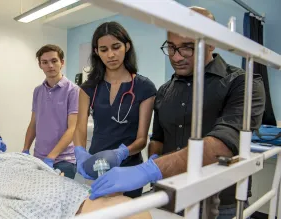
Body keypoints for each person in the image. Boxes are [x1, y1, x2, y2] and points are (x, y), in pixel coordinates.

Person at [87, 7, 266, 218]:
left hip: (220, 202)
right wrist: (153, 161)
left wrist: (147, 170)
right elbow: (159, 139)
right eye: (171, 47)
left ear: (211, 43)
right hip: (171, 196)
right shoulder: (164, 91)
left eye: (187, 48)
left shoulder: (242, 83)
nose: (176, 57)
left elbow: (223, 144)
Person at [0, 134, 152, 219]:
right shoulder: (82, 192)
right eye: (125, 198)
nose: (120, 194)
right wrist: (48, 171)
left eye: (120, 200)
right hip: (7, 161)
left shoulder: (44, 213)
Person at [73, 21, 157, 198]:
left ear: (127, 46)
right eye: (103, 50)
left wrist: (122, 152)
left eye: (116, 47)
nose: (110, 55)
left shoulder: (144, 88)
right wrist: (80, 152)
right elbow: (80, 127)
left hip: (129, 171)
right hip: (96, 167)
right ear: (96, 52)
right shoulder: (89, 88)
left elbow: (142, 139)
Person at [22, 44, 79, 179]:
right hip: (39, 158)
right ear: (40, 65)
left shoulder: (73, 91)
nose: (50, 66)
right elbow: (34, 123)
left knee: (61, 199)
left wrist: (51, 157)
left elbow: (73, 129)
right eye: (45, 62)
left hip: (64, 160)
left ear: (62, 63)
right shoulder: (38, 91)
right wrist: (25, 149)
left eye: (54, 61)